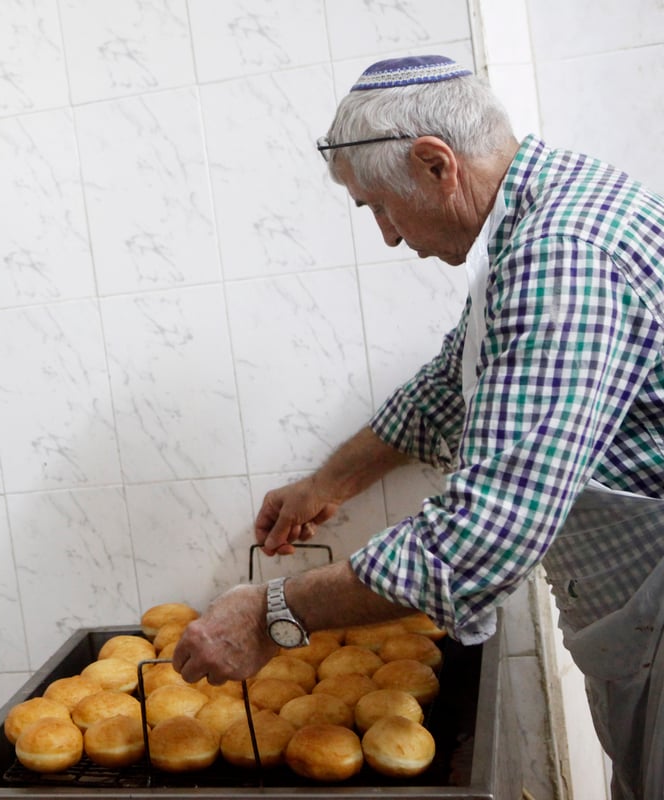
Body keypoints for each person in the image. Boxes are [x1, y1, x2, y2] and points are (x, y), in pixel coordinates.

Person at [171, 55, 664, 799]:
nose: (389, 238)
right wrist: (325, 483)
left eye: (379, 207)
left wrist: (274, 614)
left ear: (437, 166)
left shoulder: (564, 254)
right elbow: (449, 388)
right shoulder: (540, 215)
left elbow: (479, 541)